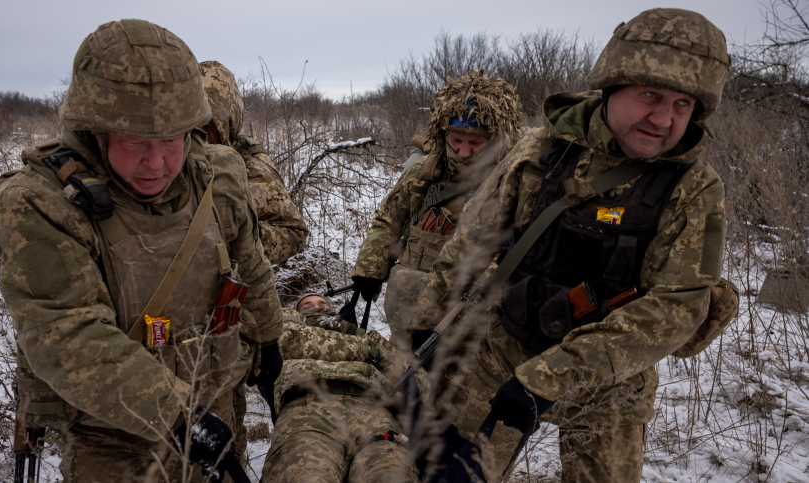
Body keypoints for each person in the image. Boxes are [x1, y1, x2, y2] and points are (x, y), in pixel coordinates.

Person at [411, 9, 731, 482]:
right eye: (651, 95)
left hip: (611, 383)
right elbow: (470, 245)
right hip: (505, 348)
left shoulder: (695, 189)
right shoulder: (540, 151)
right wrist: (425, 331)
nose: (664, 118)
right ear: (613, 85)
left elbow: (675, 309)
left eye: (683, 104)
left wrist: (547, 378)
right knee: (450, 475)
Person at [0, 19, 283, 482]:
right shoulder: (39, 203)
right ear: (95, 131)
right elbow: (70, 336)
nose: (157, 163)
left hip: (218, 412)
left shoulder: (216, 172)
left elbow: (250, 262)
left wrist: (268, 339)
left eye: (171, 140)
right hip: (118, 445)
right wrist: (180, 415)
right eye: (136, 142)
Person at [351, 71, 523, 350]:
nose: (464, 152)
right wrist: (369, 268)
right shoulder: (424, 173)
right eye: (456, 141)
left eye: (475, 144)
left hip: (473, 326)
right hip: (407, 314)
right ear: (443, 136)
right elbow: (389, 220)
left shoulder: (513, 184)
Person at [197, 60, 308, 466]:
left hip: (238, 312)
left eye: (207, 130)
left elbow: (294, 231)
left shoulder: (248, 165)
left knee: (227, 432)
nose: (197, 140)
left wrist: (245, 244)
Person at [262, 302, 428, 483]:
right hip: (309, 409)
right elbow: (288, 340)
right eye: (307, 304)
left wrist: (377, 346)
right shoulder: (288, 320)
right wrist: (367, 348)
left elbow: (417, 380)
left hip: (376, 412)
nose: (316, 306)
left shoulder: (362, 334)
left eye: (322, 302)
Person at [198, 60, 309, 266]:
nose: (200, 134)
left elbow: (294, 234)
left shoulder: (250, 166)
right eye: (193, 123)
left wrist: (242, 235)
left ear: (228, 123)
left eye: (210, 125)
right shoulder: (165, 156)